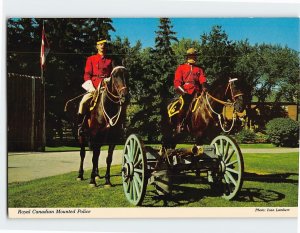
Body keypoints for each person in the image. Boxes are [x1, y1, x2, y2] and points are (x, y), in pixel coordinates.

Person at [77, 38, 113, 136]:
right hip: (93, 87)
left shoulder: (110, 61)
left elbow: (112, 75)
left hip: (106, 87)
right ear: (97, 46)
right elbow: (87, 75)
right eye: (100, 44)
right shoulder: (91, 59)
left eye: (104, 44)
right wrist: (91, 88)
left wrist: (109, 80)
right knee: (83, 102)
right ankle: (80, 125)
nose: (103, 46)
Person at [173, 48, 208, 132]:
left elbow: (202, 79)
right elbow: (177, 82)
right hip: (186, 92)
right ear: (187, 57)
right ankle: (180, 124)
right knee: (185, 104)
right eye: (191, 56)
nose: (193, 58)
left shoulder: (199, 69)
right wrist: (182, 91)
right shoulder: (181, 68)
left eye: (195, 56)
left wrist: (205, 87)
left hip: (197, 92)